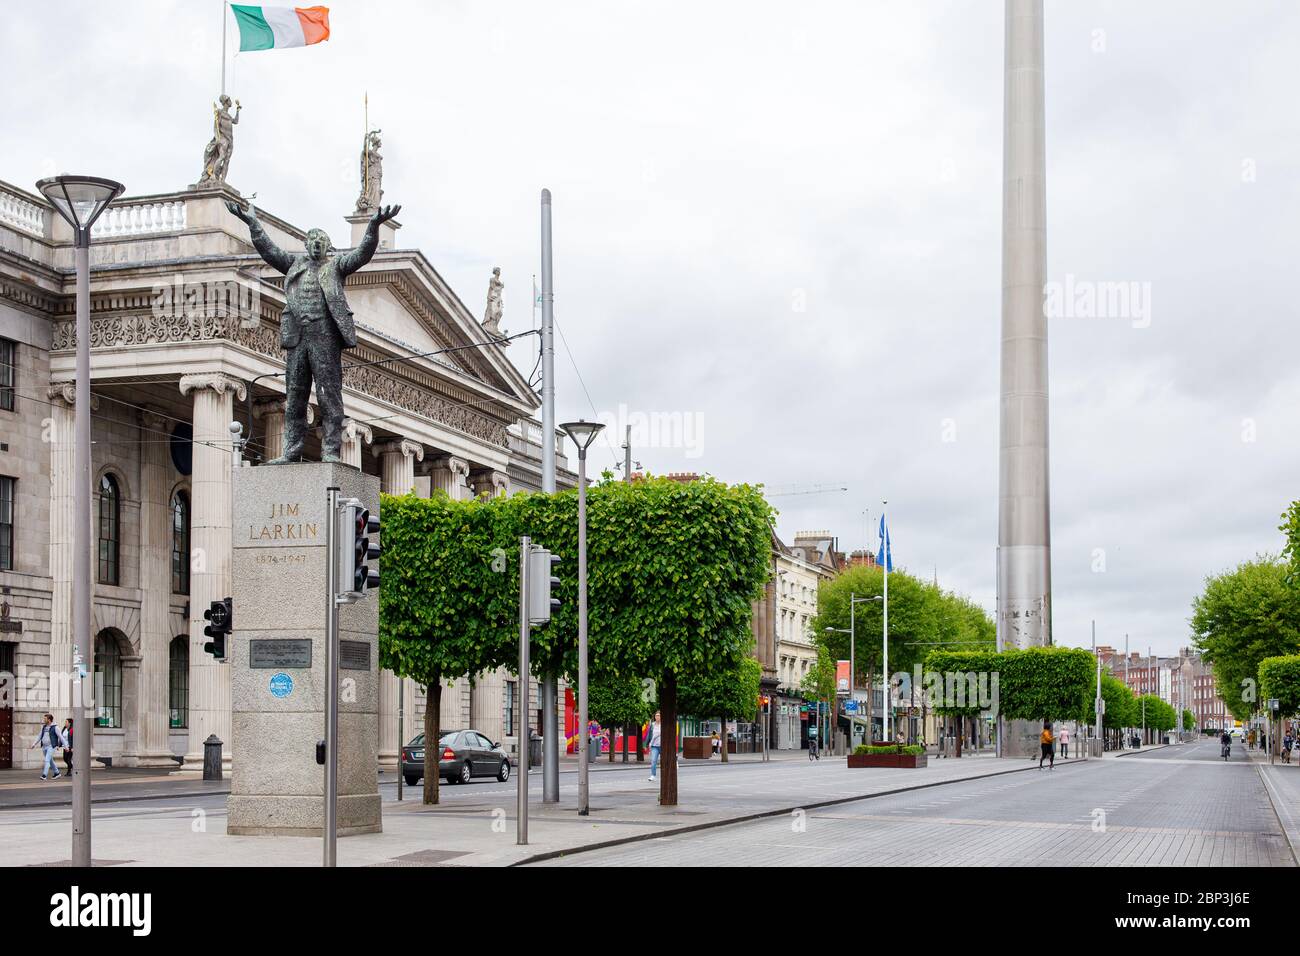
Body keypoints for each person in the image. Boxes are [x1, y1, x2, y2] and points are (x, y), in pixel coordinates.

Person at [29, 713, 63, 780]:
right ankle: (57, 773)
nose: (44, 720)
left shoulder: (55, 727)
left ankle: (44, 775)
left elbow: (61, 737)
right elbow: (39, 736)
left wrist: (62, 746)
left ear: (49, 720)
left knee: (47, 760)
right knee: (50, 761)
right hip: (44, 746)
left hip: (51, 746)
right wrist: (34, 744)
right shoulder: (44, 727)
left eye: (45, 719)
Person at [647, 711, 662, 782]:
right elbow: (649, 735)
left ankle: (666, 775)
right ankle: (653, 775)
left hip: (663, 746)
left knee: (666, 761)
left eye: (659, 715)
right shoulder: (652, 725)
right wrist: (646, 744)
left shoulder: (664, 725)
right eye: (656, 716)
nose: (657, 717)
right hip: (654, 746)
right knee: (653, 761)